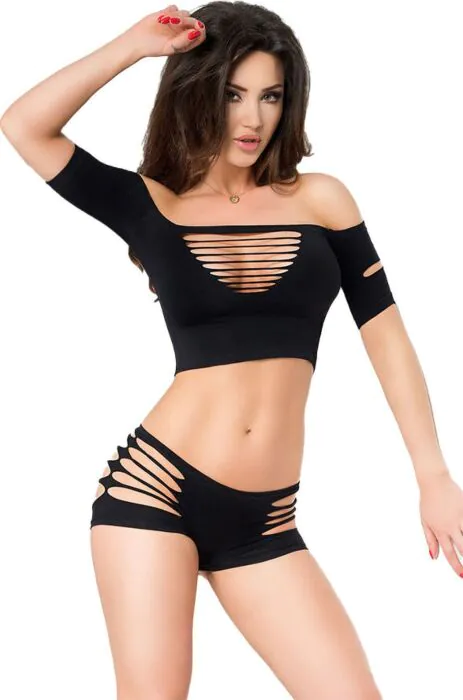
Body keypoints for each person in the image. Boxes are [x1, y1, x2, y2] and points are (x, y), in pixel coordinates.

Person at [2, 2, 463, 698]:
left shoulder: (322, 199)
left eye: (270, 96)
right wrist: (132, 46)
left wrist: (432, 476)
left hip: (265, 522)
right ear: (200, 92)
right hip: (154, 491)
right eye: (233, 94)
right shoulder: (152, 205)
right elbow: (23, 125)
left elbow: (386, 334)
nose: (252, 118)